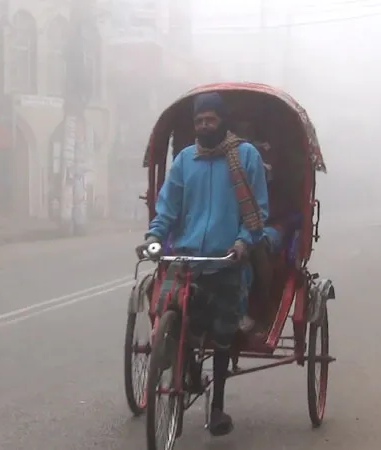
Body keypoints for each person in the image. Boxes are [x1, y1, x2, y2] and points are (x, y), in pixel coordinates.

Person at [135, 92, 269, 436]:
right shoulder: (184, 161)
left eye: (210, 119)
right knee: (173, 315)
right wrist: (154, 236)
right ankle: (181, 366)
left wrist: (242, 242)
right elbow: (167, 207)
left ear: (222, 121)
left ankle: (219, 407)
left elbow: (257, 212)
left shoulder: (246, 156)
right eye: (198, 121)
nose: (204, 125)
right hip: (188, 257)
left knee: (223, 334)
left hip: (227, 258)